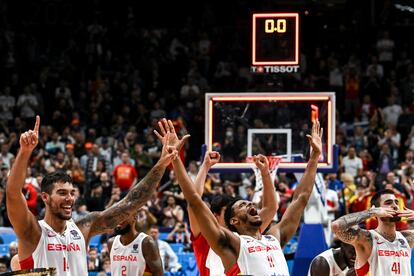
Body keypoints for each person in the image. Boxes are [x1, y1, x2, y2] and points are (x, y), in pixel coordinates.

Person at [6, 116, 178, 275]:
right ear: (45, 197)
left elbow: (131, 203)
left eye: (72, 193)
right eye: (62, 193)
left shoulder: (83, 228)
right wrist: (25, 152)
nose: (69, 198)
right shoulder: (33, 231)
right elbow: (13, 194)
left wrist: (161, 164)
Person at [157, 118, 322, 275]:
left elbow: (300, 200)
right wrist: (176, 158)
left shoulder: (273, 239)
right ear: (233, 221)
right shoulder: (232, 243)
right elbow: (194, 200)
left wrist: (314, 156)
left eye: (249, 203)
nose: (251, 204)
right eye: (242, 205)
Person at [332, 189, 414, 275]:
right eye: (388, 203)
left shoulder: (407, 238)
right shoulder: (366, 238)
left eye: (396, 202)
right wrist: (370, 212)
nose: (395, 206)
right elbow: (336, 226)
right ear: (377, 210)